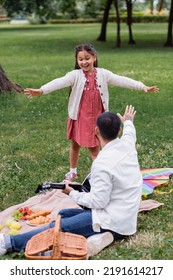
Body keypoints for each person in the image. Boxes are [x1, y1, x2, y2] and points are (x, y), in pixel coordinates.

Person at [0, 105, 143, 257]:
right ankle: (95, 237)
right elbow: (130, 132)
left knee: (58, 225)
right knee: (63, 213)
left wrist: (72, 193)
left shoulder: (102, 164)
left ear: (96, 131)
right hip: (125, 216)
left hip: (111, 220)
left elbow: (98, 201)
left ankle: (9, 243)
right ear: (119, 131)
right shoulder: (128, 145)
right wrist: (128, 121)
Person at [24, 43, 159, 181]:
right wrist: (42, 90)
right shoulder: (75, 75)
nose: (84, 62)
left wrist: (142, 86)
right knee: (75, 144)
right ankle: (73, 171)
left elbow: (121, 80)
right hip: (79, 117)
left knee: (95, 149)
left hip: (97, 119)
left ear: (94, 57)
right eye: (80, 59)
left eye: (87, 58)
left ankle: (101, 175)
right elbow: (60, 82)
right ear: (77, 61)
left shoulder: (103, 74)